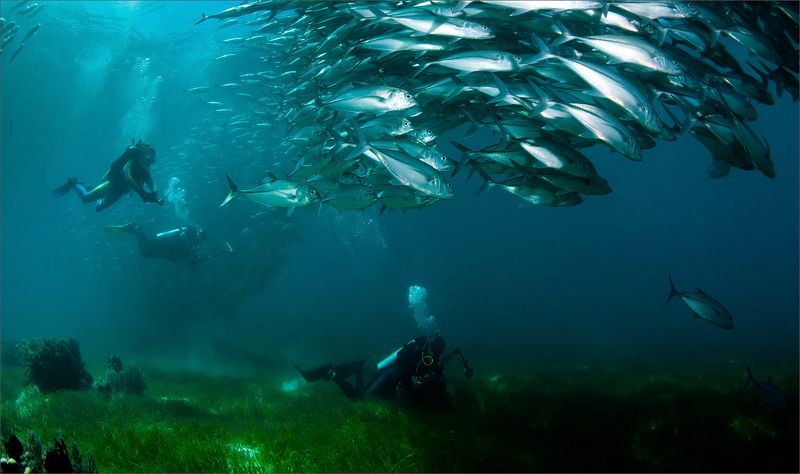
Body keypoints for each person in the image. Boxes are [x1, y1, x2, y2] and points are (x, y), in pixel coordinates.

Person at [294, 334, 472, 409]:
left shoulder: (433, 362)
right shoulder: (417, 351)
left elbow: (436, 385)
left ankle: (358, 367)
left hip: (393, 378)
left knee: (368, 395)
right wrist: (410, 381)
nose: (434, 355)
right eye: (434, 349)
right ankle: (332, 374)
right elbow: (401, 361)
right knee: (359, 400)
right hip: (391, 375)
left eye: (437, 351)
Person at [52, 140, 163, 212]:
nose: (149, 161)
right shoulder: (131, 161)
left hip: (119, 192)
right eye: (148, 157)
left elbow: (152, 184)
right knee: (86, 198)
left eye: (151, 159)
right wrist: (143, 193)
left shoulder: (145, 171)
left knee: (98, 208)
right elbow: (128, 178)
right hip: (112, 184)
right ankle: (74, 183)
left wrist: (154, 192)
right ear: (143, 155)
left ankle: (93, 189)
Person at [104, 223, 209, 266]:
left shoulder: (192, 248)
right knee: (138, 233)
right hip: (155, 248)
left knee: (142, 243)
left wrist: (195, 259)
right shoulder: (189, 235)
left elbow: (179, 260)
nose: (199, 237)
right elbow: (175, 257)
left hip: (152, 252)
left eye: (201, 237)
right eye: (200, 234)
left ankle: (128, 229)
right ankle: (129, 228)